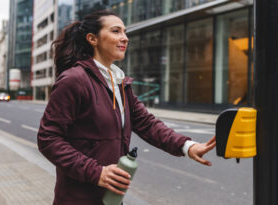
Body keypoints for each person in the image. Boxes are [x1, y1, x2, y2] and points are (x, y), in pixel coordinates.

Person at [37, 10, 216, 205]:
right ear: (92, 39)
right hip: (78, 199)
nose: (125, 38)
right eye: (116, 31)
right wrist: (96, 172)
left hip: (111, 198)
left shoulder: (120, 83)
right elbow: (48, 138)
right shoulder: (74, 80)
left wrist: (188, 146)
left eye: (125, 32)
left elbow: (147, 123)